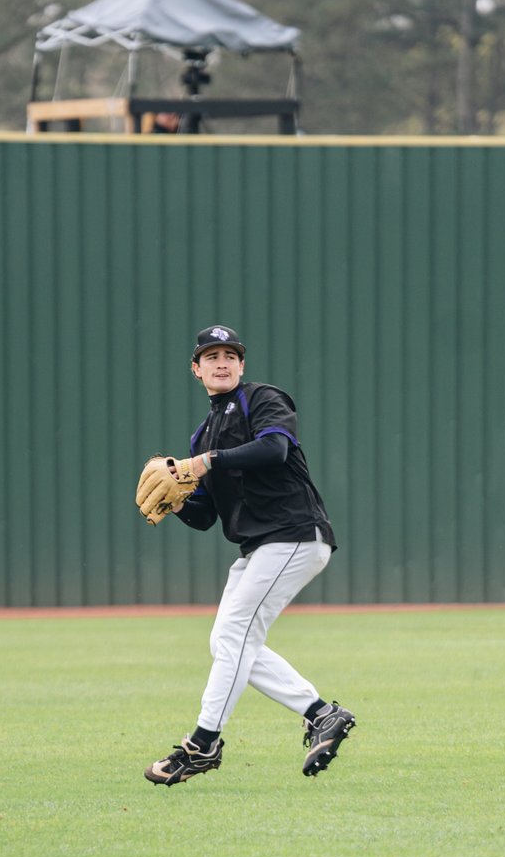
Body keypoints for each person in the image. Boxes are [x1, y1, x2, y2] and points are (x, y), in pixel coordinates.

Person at [143, 324, 356, 787]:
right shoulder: (202, 436)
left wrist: (207, 462)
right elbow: (206, 517)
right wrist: (177, 504)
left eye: (230, 356)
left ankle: (203, 744)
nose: (222, 363)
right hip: (259, 546)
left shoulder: (261, 399)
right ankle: (321, 713)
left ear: (241, 365)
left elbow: (274, 449)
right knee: (227, 641)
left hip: (293, 534)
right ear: (196, 369)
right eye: (211, 356)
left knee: (236, 633)